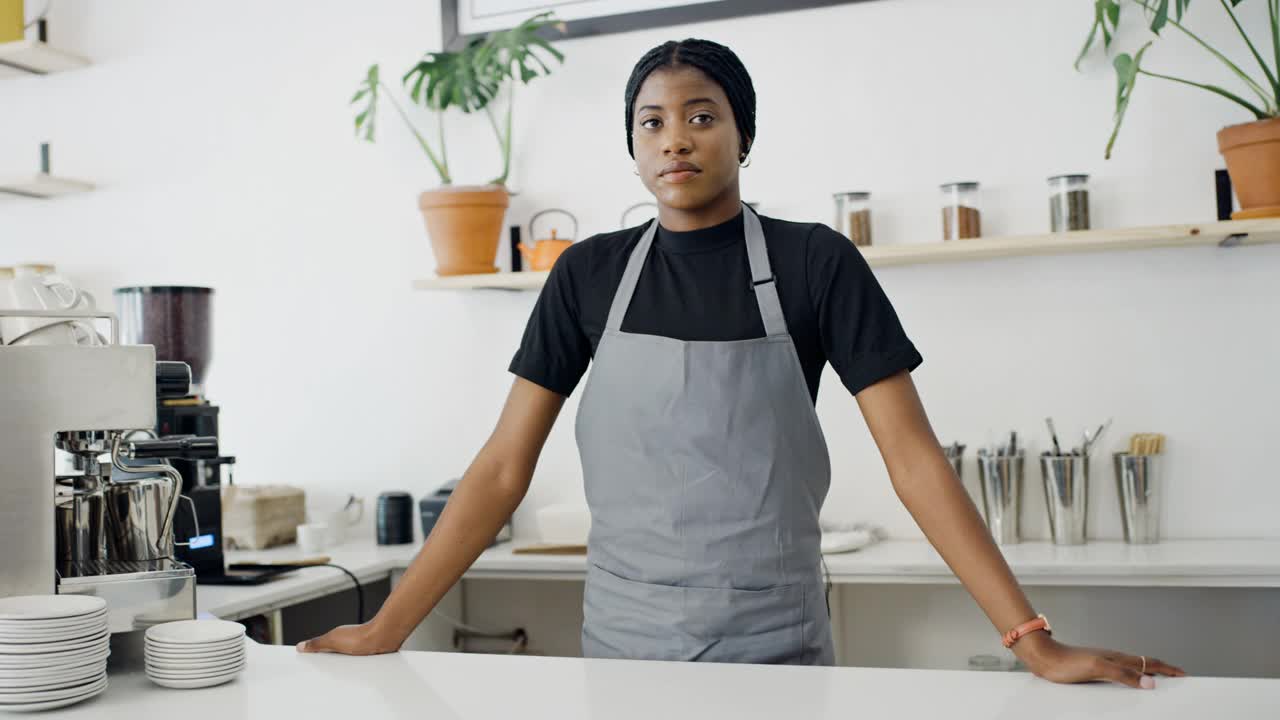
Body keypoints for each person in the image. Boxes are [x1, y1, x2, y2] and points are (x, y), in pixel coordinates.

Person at [299, 38, 1184, 689]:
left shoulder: (816, 263)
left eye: (701, 116)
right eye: (653, 122)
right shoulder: (588, 274)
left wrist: (1031, 638)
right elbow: (499, 470)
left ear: (742, 136)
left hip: (778, 652)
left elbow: (913, 459)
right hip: (622, 655)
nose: (675, 138)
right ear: (635, 148)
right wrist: (387, 629)